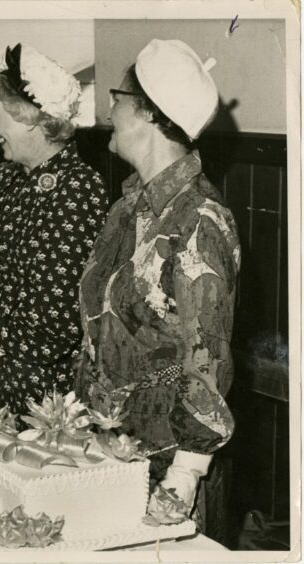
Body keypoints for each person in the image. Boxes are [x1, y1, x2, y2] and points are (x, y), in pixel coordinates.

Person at [77, 39, 239, 523]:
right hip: (107, 447)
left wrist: (184, 476)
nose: (110, 107)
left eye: (117, 97)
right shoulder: (125, 209)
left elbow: (205, 359)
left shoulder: (200, 221)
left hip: (166, 469)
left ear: (148, 112)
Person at [0, 44, 109, 419]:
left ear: (31, 118)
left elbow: (59, 312)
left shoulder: (79, 189)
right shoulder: (1, 179)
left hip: (46, 395)